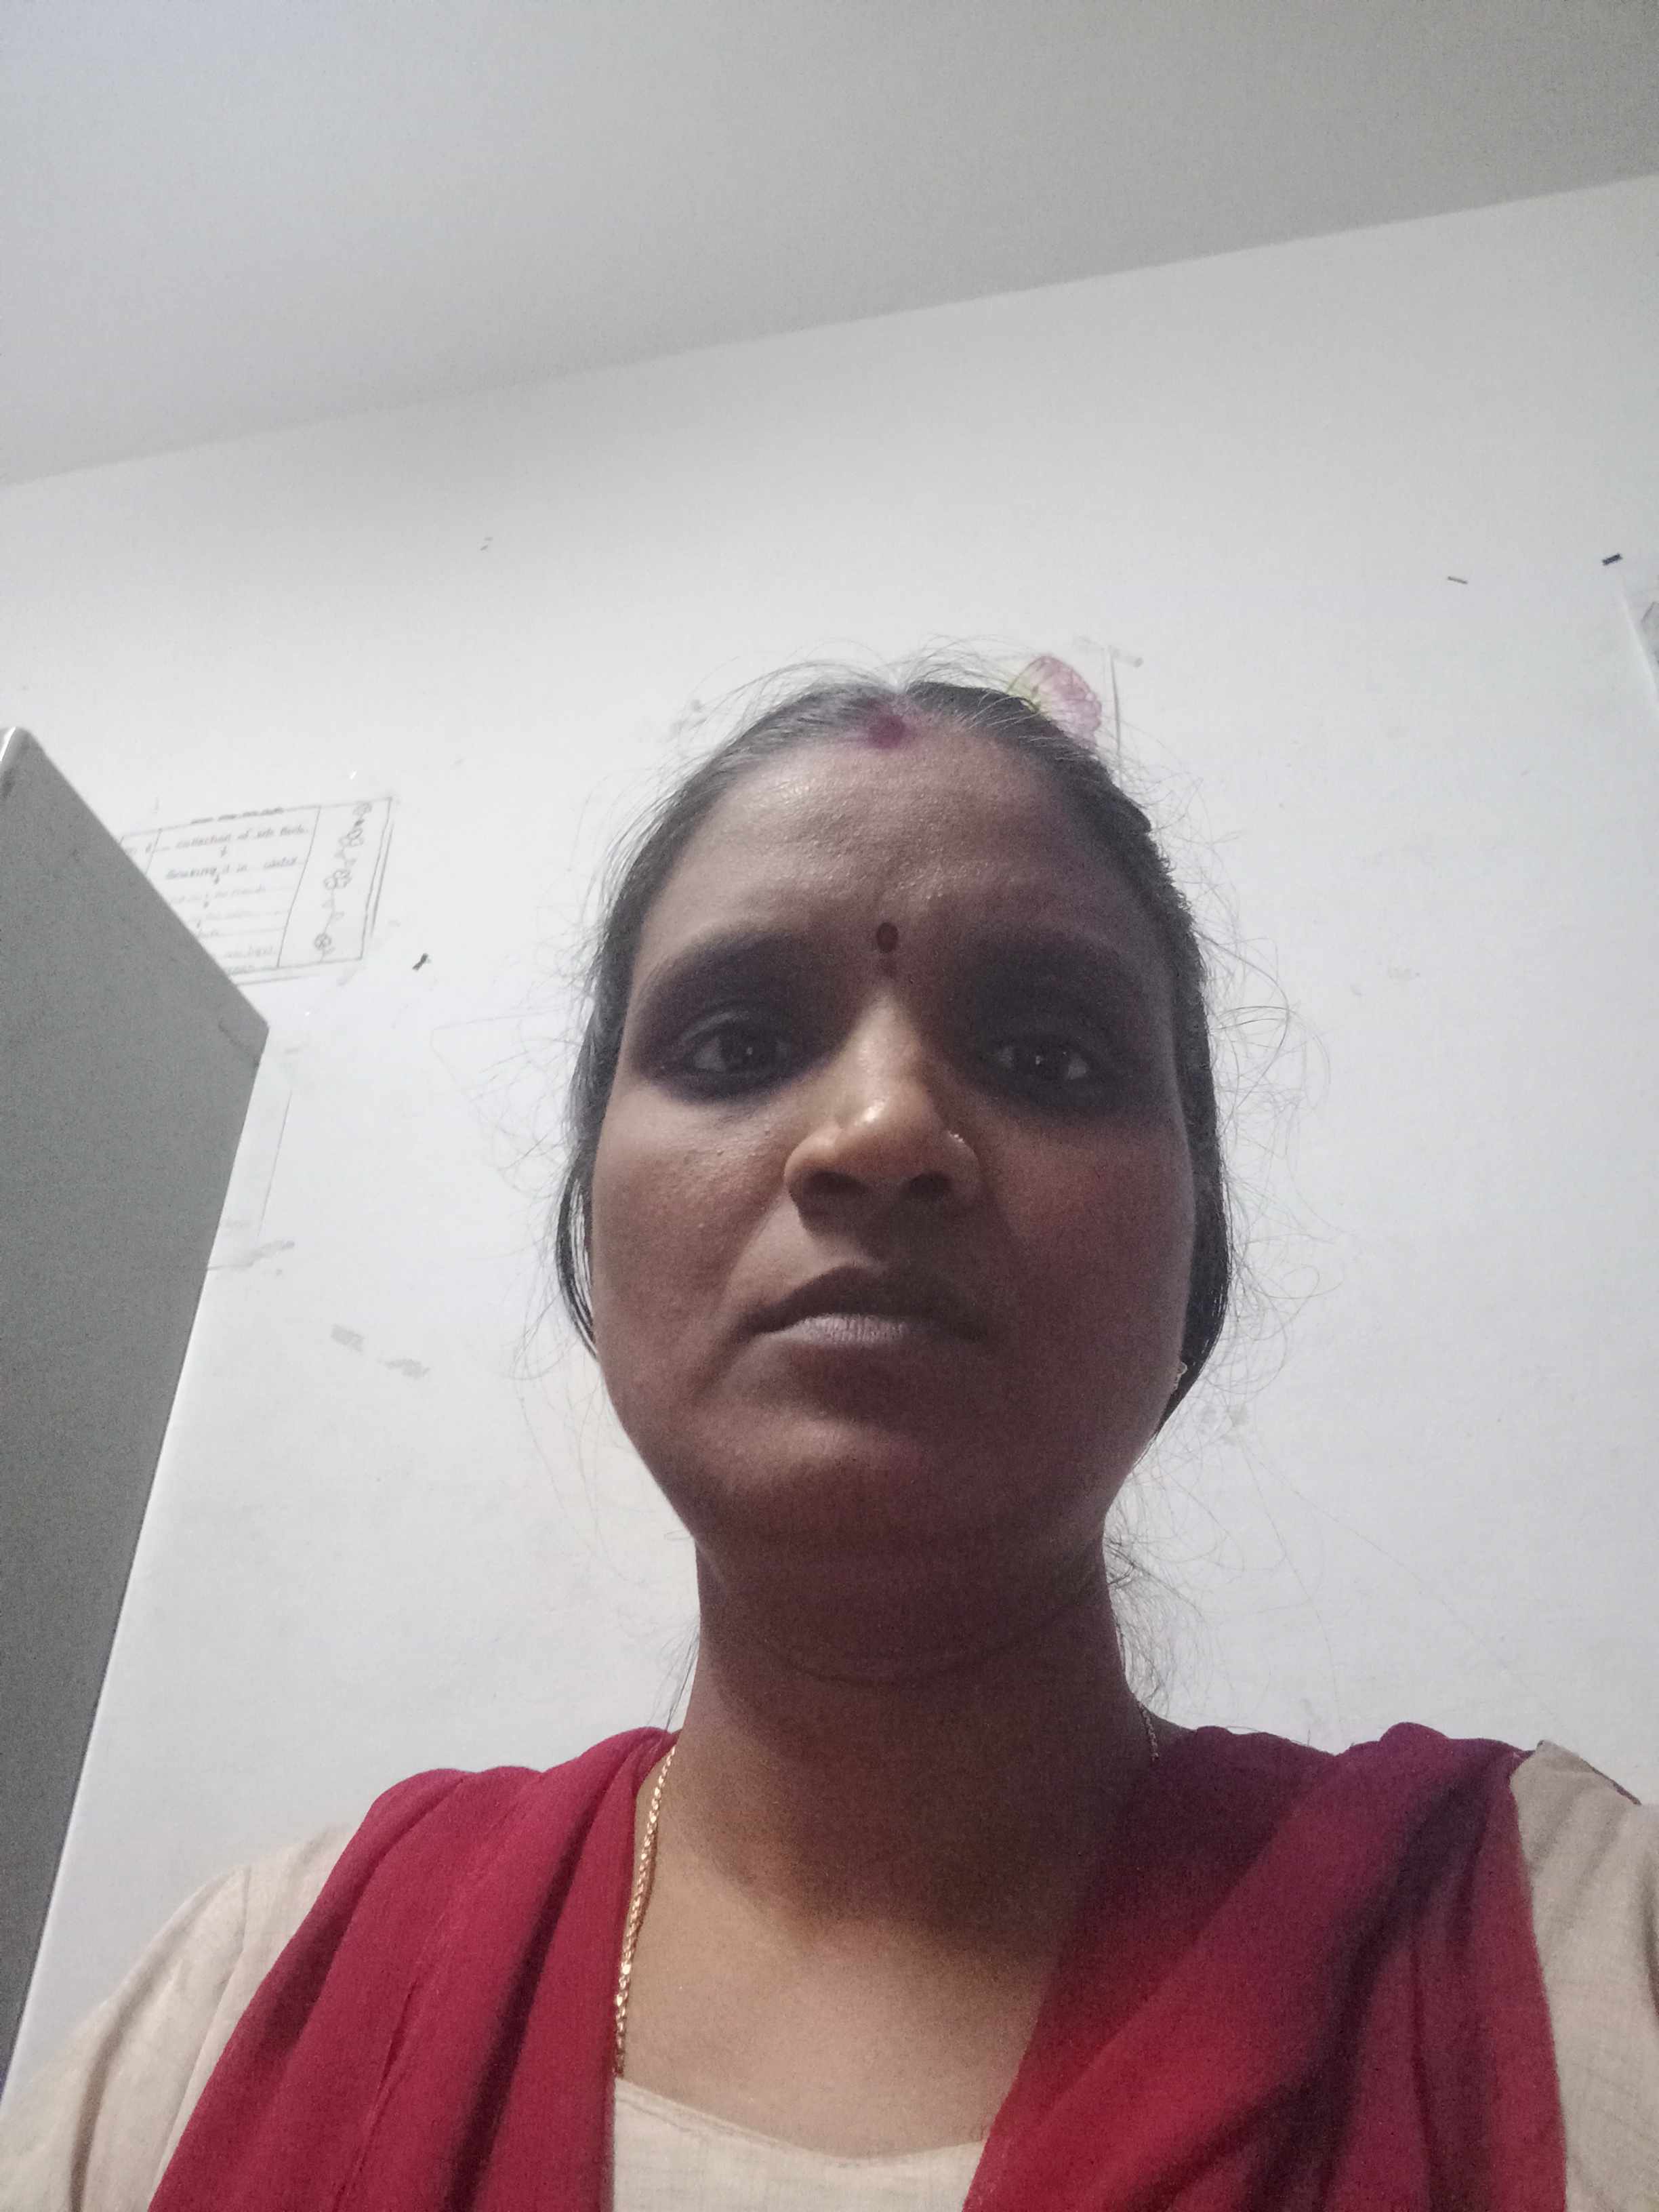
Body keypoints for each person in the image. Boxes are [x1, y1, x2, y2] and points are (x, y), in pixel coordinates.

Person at [2, 664, 1655, 2211]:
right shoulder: (246, 1995)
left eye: (1050, 1054)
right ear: (595, 1234)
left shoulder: (1558, 1948)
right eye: (735, 1047)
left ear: (1194, 1257)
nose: (882, 1130)